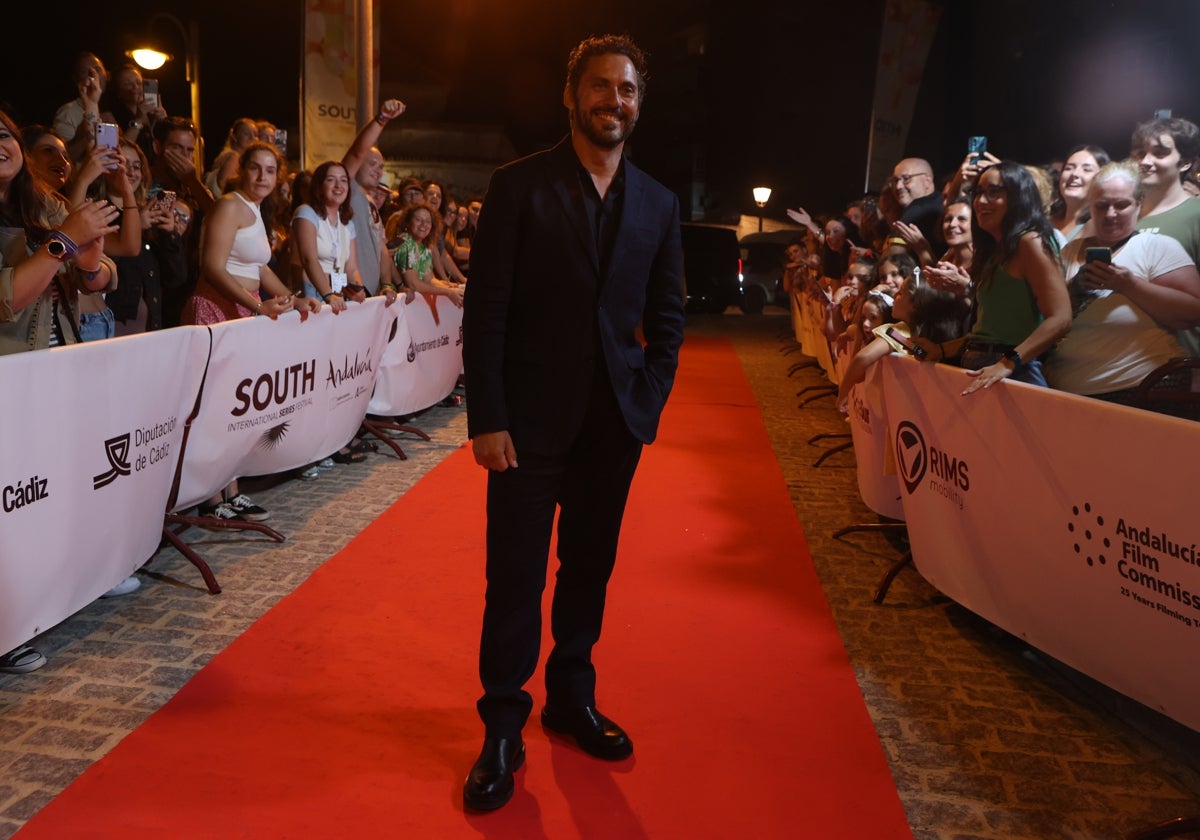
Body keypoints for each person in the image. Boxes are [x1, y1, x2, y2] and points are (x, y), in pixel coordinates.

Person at [460, 34, 685, 812]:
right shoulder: (518, 185)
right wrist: (487, 417)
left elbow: (668, 317)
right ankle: (501, 725)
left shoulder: (659, 202)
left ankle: (570, 698)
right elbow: (484, 313)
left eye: (626, 89)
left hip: (611, 429)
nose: (612, 100)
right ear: (571, 95)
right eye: (599, 86)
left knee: (588, 571)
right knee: (514, 578)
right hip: (524, 427)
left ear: (637, 101)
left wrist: (645, 403)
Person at [0, 109, 125, 673]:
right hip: (10, 372)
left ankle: (50, 596)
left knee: (46, 489)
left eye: (3, 132)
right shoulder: (51, 219)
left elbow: (99, 274)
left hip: (57, 360)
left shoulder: (41, 203)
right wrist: (64, 243)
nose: (0, 143)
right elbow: (10, 298)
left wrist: (90, 252)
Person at [181, 142, 319, 522]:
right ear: (242, 170)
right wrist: (258, 306)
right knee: (212, 409)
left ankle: (232, 488)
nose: (263, 177)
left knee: (236, 410)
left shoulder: (256, 210)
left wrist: (291, 299)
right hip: (216, 309)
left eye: (270, 170)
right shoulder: (229, 205)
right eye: (255, 168)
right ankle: (211, 498)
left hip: (245, 309)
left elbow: (259, 269)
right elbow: (212, 267)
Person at [1045, 161, 1200, 406]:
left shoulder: (1156, 246)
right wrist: (1073, 290)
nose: (1110, 214)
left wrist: (1129, 285)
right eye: (1102, 205)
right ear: (1091, 207)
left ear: (1139, 204)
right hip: (1068, 391)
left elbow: (1193, 312)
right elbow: (1045, 314)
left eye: (1121, 205)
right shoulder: (1068, 253)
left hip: (1140, 389)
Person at [915, 162, 1071, 394]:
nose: (981, 201)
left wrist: (1007, 363)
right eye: (978, 192)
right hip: (983, 365)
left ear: (1019, 197)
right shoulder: (992, 251)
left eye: (994, 192)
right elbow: (988, 334)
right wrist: (941, 350)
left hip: (1016, 372)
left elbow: (1061, 318)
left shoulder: (1030, 242)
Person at [342, 98, 407, 295]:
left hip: (373, 294)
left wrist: (387, 284)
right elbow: (356, 151)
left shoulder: (371, 204)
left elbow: (381, 250)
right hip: (352, 293)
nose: (378, 171)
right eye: (372, 164)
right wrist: (382, 119)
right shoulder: (348, 190)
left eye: (381, 166)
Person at [53, 52, 107, 164]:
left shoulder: (111, 111)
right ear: (76, 79)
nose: (93, 75)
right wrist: (92, 126)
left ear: (107, 74)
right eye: (85, 72)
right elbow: (66, 157)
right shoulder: (67, 112)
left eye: (97, 69)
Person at [1051, 145, 1111, 244]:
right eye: (1068, 168)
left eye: (1086, 169)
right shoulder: (1046, 220)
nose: (1074, 174)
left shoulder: (1100, 227)